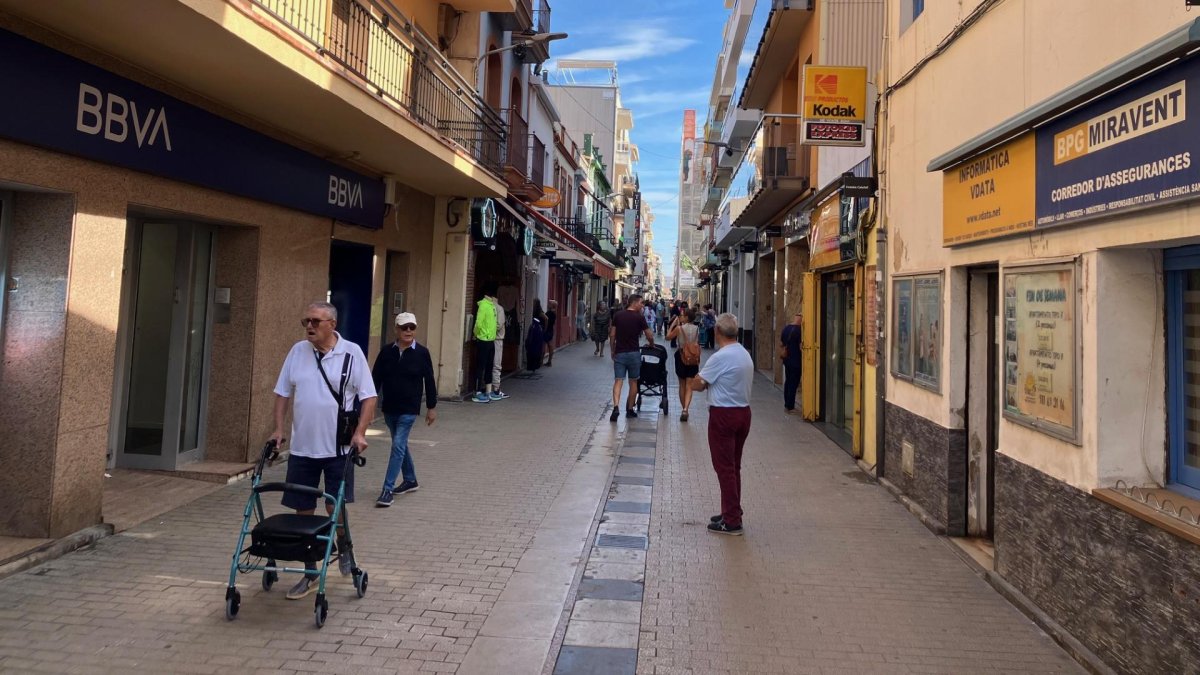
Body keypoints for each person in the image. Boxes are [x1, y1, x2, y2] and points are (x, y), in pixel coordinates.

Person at [270, 301, 377, 598]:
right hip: (303, 449)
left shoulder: (352, 353)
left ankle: (342, 542)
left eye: (316, 321)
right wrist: (279, 429)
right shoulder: (297, 352)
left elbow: (369, 398)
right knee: (303, 511)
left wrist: (360, 433)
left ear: (332, 324)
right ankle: (309, 571)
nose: (309, 326)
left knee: (334, 507)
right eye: (306, 320)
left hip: (338, 450)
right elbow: (282, 393)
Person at [691, 313, 753, 536]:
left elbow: (698, 385)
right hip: (743, 412)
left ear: (717, 332)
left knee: (724, 468)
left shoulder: (721, 357)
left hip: (723, 416)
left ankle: (732, 521)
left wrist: (696, 380)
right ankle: (730, 511)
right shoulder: (744, 353)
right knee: (733, 466)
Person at [372, 312, 437, 507]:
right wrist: (369, 404)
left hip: (409, 408)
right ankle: (410, 479)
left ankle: (387, 490)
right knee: (399, 445)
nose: (408, 331)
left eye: (412, 327)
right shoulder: (386, 352)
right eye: (404, 327)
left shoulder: (422, 353)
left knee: (398, 445)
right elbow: (375, 379)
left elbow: (430, 381)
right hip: (390, 407)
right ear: (396, 329)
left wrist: (431, 407)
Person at [609, 294, 655, 422]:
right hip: (634, 353)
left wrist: (612, 349)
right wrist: (651, 344)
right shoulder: (639, 318)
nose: (642, 306)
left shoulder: (618, 315)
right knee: (633, 382)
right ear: (634, 303)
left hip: (620, 353)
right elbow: (649, 335)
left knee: (618, 380)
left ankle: (616, 407)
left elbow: (612, 334)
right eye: (641, 303)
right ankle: (630, 410)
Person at [667, 307, 700, 421]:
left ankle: (683, 409)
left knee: (682, 384)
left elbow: (667, 337)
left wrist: (673, 324)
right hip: (693, 358)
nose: (680, 317)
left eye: (682, 315)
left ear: (686, 317)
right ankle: (686, 409)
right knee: (689, 385)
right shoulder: (697, 329)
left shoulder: (679, 329)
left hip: (681, 356)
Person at [471, 282, 498, 403]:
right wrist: (476, 334)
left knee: (489, 366)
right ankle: (476, 392)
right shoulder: (483, 305)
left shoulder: (492, 305)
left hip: (490, 340)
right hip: (483, 339)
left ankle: (488, 390)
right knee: (481, 366)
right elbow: (478, 323)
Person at [780, 312, 802, 415]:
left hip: (787, 359)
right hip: (796, 360)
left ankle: (786, 404)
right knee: (794, 383)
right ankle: (790, 406)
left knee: (788, 381)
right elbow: (801, 347)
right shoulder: (799, 331)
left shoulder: (786, 328)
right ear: (801, 320)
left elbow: (782, 342)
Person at [490, 291, 509, 401]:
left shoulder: (484, 306)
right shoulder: (499, 308)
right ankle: (496, 389)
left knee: (489, 364)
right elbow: (499, 324)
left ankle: (487, 387)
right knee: (496, 364)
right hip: (497, 339)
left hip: (486, 338)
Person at [526, 304, 546, 371]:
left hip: (536, 331)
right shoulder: (534, 311)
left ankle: (535, 364)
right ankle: (533, 365)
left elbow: (546, 319)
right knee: (535, 348)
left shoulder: (539, 313)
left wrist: (544, 329)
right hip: (536, 331)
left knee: (535, 348)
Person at [544, 300, 558, 367]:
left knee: (546, 345)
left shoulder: (550, 313)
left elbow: (547, 321)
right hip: (550, 330)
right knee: (550, 346)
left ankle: (546, 361)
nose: (547, 304)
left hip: (547, 330)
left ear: (552, 305)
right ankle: (549, 361)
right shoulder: (554, 313)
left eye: (549, 303)